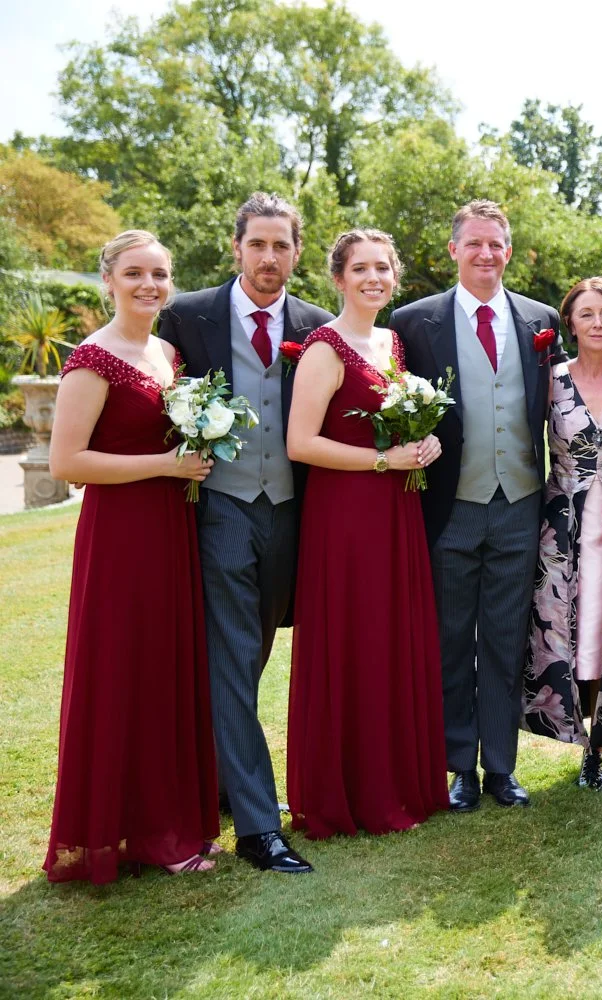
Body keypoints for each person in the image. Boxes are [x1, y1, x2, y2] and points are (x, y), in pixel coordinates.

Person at [157, 192, 330, 875]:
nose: (268, 258)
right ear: (236, 248)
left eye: (280, 246)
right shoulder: (188, 316)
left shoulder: (314, 327)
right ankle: (259, 828)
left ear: (296, 251)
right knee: (231, 658)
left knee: (253, 654)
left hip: (290, 511)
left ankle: (225, 781)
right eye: (256, 244)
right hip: (220, 507)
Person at [45, 231, 220, 882]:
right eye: (135, 273)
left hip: (171, 533)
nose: (150, 284)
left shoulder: (167, 353)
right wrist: (166, 465)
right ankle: (130, 833)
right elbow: (67, 463)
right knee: (124, 670)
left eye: (160, 274)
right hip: (121, 536)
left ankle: (164, 825)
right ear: (109, 280)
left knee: (165, 671)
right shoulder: (93, 358)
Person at [393, 201, 561, 812]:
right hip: (449, 504)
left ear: (508, 252)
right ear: (454, 250)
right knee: (449, 636)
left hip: (519, 502)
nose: (486, 254)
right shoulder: (413, 324)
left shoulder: (540, 320)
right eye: (474, 245)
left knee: (504, 637)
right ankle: (458, 765)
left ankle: (502, 766)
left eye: (496, 245)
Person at [284, 229, 447, 838]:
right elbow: (300, 444)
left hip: (394, 507)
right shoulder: (324, 347)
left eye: (383, 267)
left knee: (389, 637)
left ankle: (396, 779)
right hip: (347, 514)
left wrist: (422, 443)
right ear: (338, 278)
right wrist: (382, 462)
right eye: (361, 269)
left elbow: (394, 427)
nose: (373, 278)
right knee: (355, 638)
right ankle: (347, 790)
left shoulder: (390, 341)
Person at [525, 277, 602, 800]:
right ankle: (590, 745)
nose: (598, 324)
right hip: (564, 528)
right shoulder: (548, 380)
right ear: (569, 323)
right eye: (586, 315)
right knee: (578, 635)